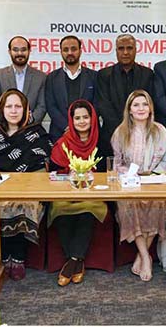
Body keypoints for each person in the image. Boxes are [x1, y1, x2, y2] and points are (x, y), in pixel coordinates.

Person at [0, 89, 53, 281]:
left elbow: (42, 165)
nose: (13, 111)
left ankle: (18, 258)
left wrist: (23, 186)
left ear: (26, 110)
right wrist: (1, 185)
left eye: (18, 106)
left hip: (28, 188)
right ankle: (5, 256)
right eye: (9, 106)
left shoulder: (36, 133)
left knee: (24, 203)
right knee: (1, 203)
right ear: (1, 109)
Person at [112, 90, 166, 281]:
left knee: (159, 203)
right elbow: (116, 163)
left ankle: (141, 256)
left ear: (150, 108)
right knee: (129, 204)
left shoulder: (161, 131)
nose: (141, 108)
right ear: (130, 110)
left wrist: (151, 175)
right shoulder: (120, 132)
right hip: (131, 184)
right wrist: (130, 174)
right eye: (136, 105)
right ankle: (145, 256)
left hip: (155, 182)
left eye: (145, 104)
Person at [47, 100, 108, 286]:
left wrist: (93, 175)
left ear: (93, 119)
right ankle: (77, 261)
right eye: (77, 118)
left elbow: (108, 172)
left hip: (94, 194)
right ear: (71, 121)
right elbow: (54, 173)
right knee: (60, 207)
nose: (82, 121)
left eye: (86, 117)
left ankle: (71, 262)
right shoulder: (63, 143)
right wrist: (68, 174)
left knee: (88, 209)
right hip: (67, 193)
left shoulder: (102, 141)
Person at [95, 33, 154, 158]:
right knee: (112, 174)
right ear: (116, 51)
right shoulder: (104, 75)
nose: (125, 52)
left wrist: (134, 129)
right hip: (111, 135)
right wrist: (123, 130)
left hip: (142, 135)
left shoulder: (147, 74)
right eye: (121, 48)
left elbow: (150, 105)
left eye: (129, 48)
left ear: (136, 50)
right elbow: (103, 106)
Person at [45, 35, 97, 141]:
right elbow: (51, 106)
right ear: (61, 52)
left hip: (88, 135)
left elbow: (97, 104)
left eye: (73, 49)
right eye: (65, 49)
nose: (70, 53)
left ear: (80, 51)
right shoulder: (52, 77)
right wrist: (67, 127)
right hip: (60, 134)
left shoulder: (94, 76)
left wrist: (82, 125)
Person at [0, 35, 47, 124]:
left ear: (29, 51)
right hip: (5, 129)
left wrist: (28, 122)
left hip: (32, 129)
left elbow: (42, 106)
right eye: (15, 50)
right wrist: (9, 124)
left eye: (23, 50)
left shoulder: (41, 77)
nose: (19, 53)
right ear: (9, 52)